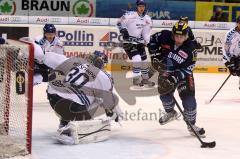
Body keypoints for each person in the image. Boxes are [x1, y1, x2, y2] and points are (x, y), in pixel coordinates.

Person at [33, 43, 122, 144]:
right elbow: (108, 100)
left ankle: (65, 121)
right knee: (97, 99)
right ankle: (69, 129)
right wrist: (113, 112)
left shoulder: (74, 61)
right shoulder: (104, 76)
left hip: (53, 98)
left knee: (58, 76)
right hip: (72, 107)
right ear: (103, 65)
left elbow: (44, 56)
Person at [147, 21, 205, 137]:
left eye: (181, 37)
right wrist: (155, 56)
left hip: (183, 74)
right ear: (173, 34)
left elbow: (188, 69)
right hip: (166, 70)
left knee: (189, 101)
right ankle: (171, 113)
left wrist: (174, 78)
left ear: (186, 36)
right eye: (176, 36)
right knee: (164, 94)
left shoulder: (190, 49)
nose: (178, 39)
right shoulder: (164, 36)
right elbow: (152, 40)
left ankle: (191, 125)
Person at [117, 0, 155, 87]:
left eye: (143, 6)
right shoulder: (130, 15)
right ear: (137, 7)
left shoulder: (147, 18)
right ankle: (136, 79)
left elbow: (146, 32)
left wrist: (146, 41)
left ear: (145, 7)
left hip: (139, 43)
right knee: (137, 58)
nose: (141, 8)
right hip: (128, 42)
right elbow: (119, 22)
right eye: (140, 6)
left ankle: (145, 79)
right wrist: (123, 30)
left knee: (144, 61)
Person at [223, 16, 240, 88]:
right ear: (237, 23)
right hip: (231, 59)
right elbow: (226, 50)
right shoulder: (230, 33)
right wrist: (230, 63)